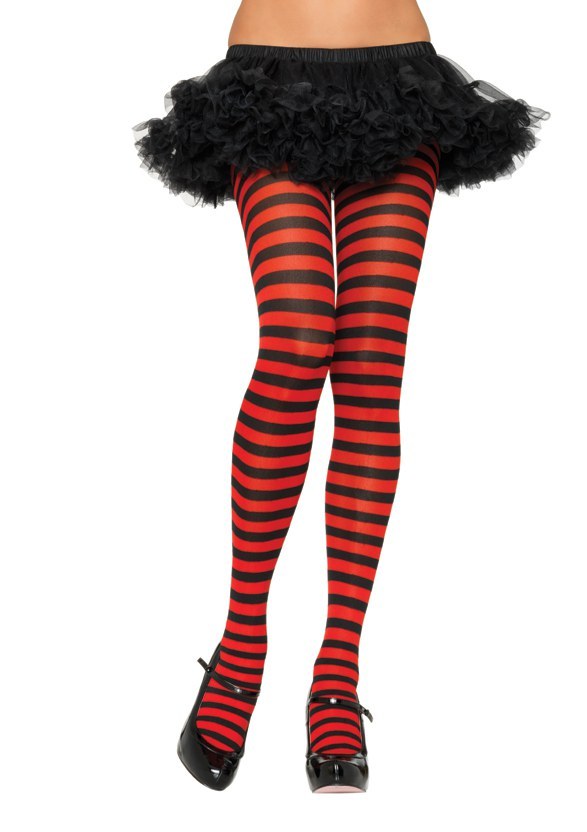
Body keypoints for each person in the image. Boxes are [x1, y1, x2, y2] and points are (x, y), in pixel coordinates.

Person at [132, 0, 550, 794]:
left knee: (369, 359)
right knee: (297, 339)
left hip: (399, 74)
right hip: (266, 74)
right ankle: (241, 644)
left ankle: (336, 672)